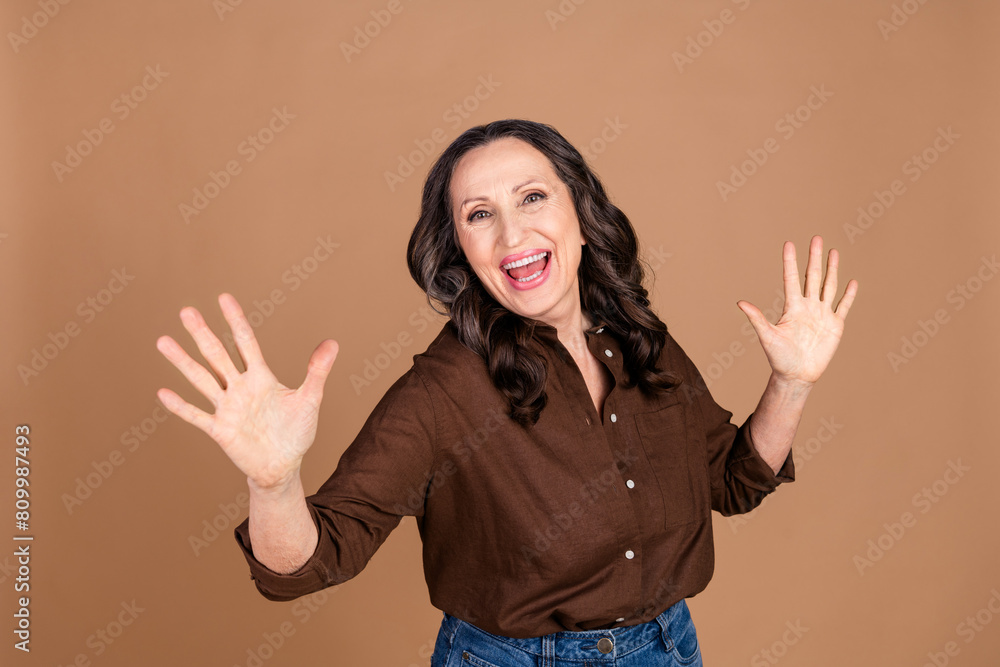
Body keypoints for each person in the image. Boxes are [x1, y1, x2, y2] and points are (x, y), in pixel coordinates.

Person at [155, 119, 857, 666]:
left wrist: (791, 384)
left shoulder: (641, 341)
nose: (513, 230)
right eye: (479, 214)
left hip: (670, 646)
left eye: (531, 196)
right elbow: (312, 560)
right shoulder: (444, 388)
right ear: (459, 246)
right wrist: (274, 483)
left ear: (579, 213)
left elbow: (733, 480)